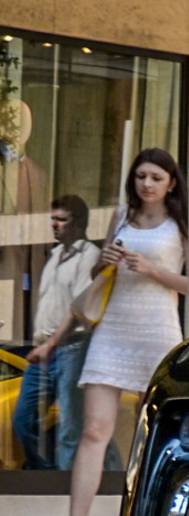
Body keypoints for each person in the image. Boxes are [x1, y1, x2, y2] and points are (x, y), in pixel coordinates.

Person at [42, 150, 188, 516]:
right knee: (93, 431)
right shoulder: (121, 214)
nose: (147, 184)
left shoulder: (181, 224)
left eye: (156, 177)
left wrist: (152, 269)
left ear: (171, 183)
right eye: (141, 176)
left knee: (156, 436)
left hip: (157, 330)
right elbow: (98, 278)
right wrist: (102, 262)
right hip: (111, 331)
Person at [16, 195, 98, 470]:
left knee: (71, 429)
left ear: (79, 223)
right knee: (23, 421)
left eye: (62, 219)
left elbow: (79, 308)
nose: (55, 225)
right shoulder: (52, 257)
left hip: (70, 348)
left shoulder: (88, 256)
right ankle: (47, 476)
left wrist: (52, 343)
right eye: (52, 219)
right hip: (42, 351)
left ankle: (64, 487)